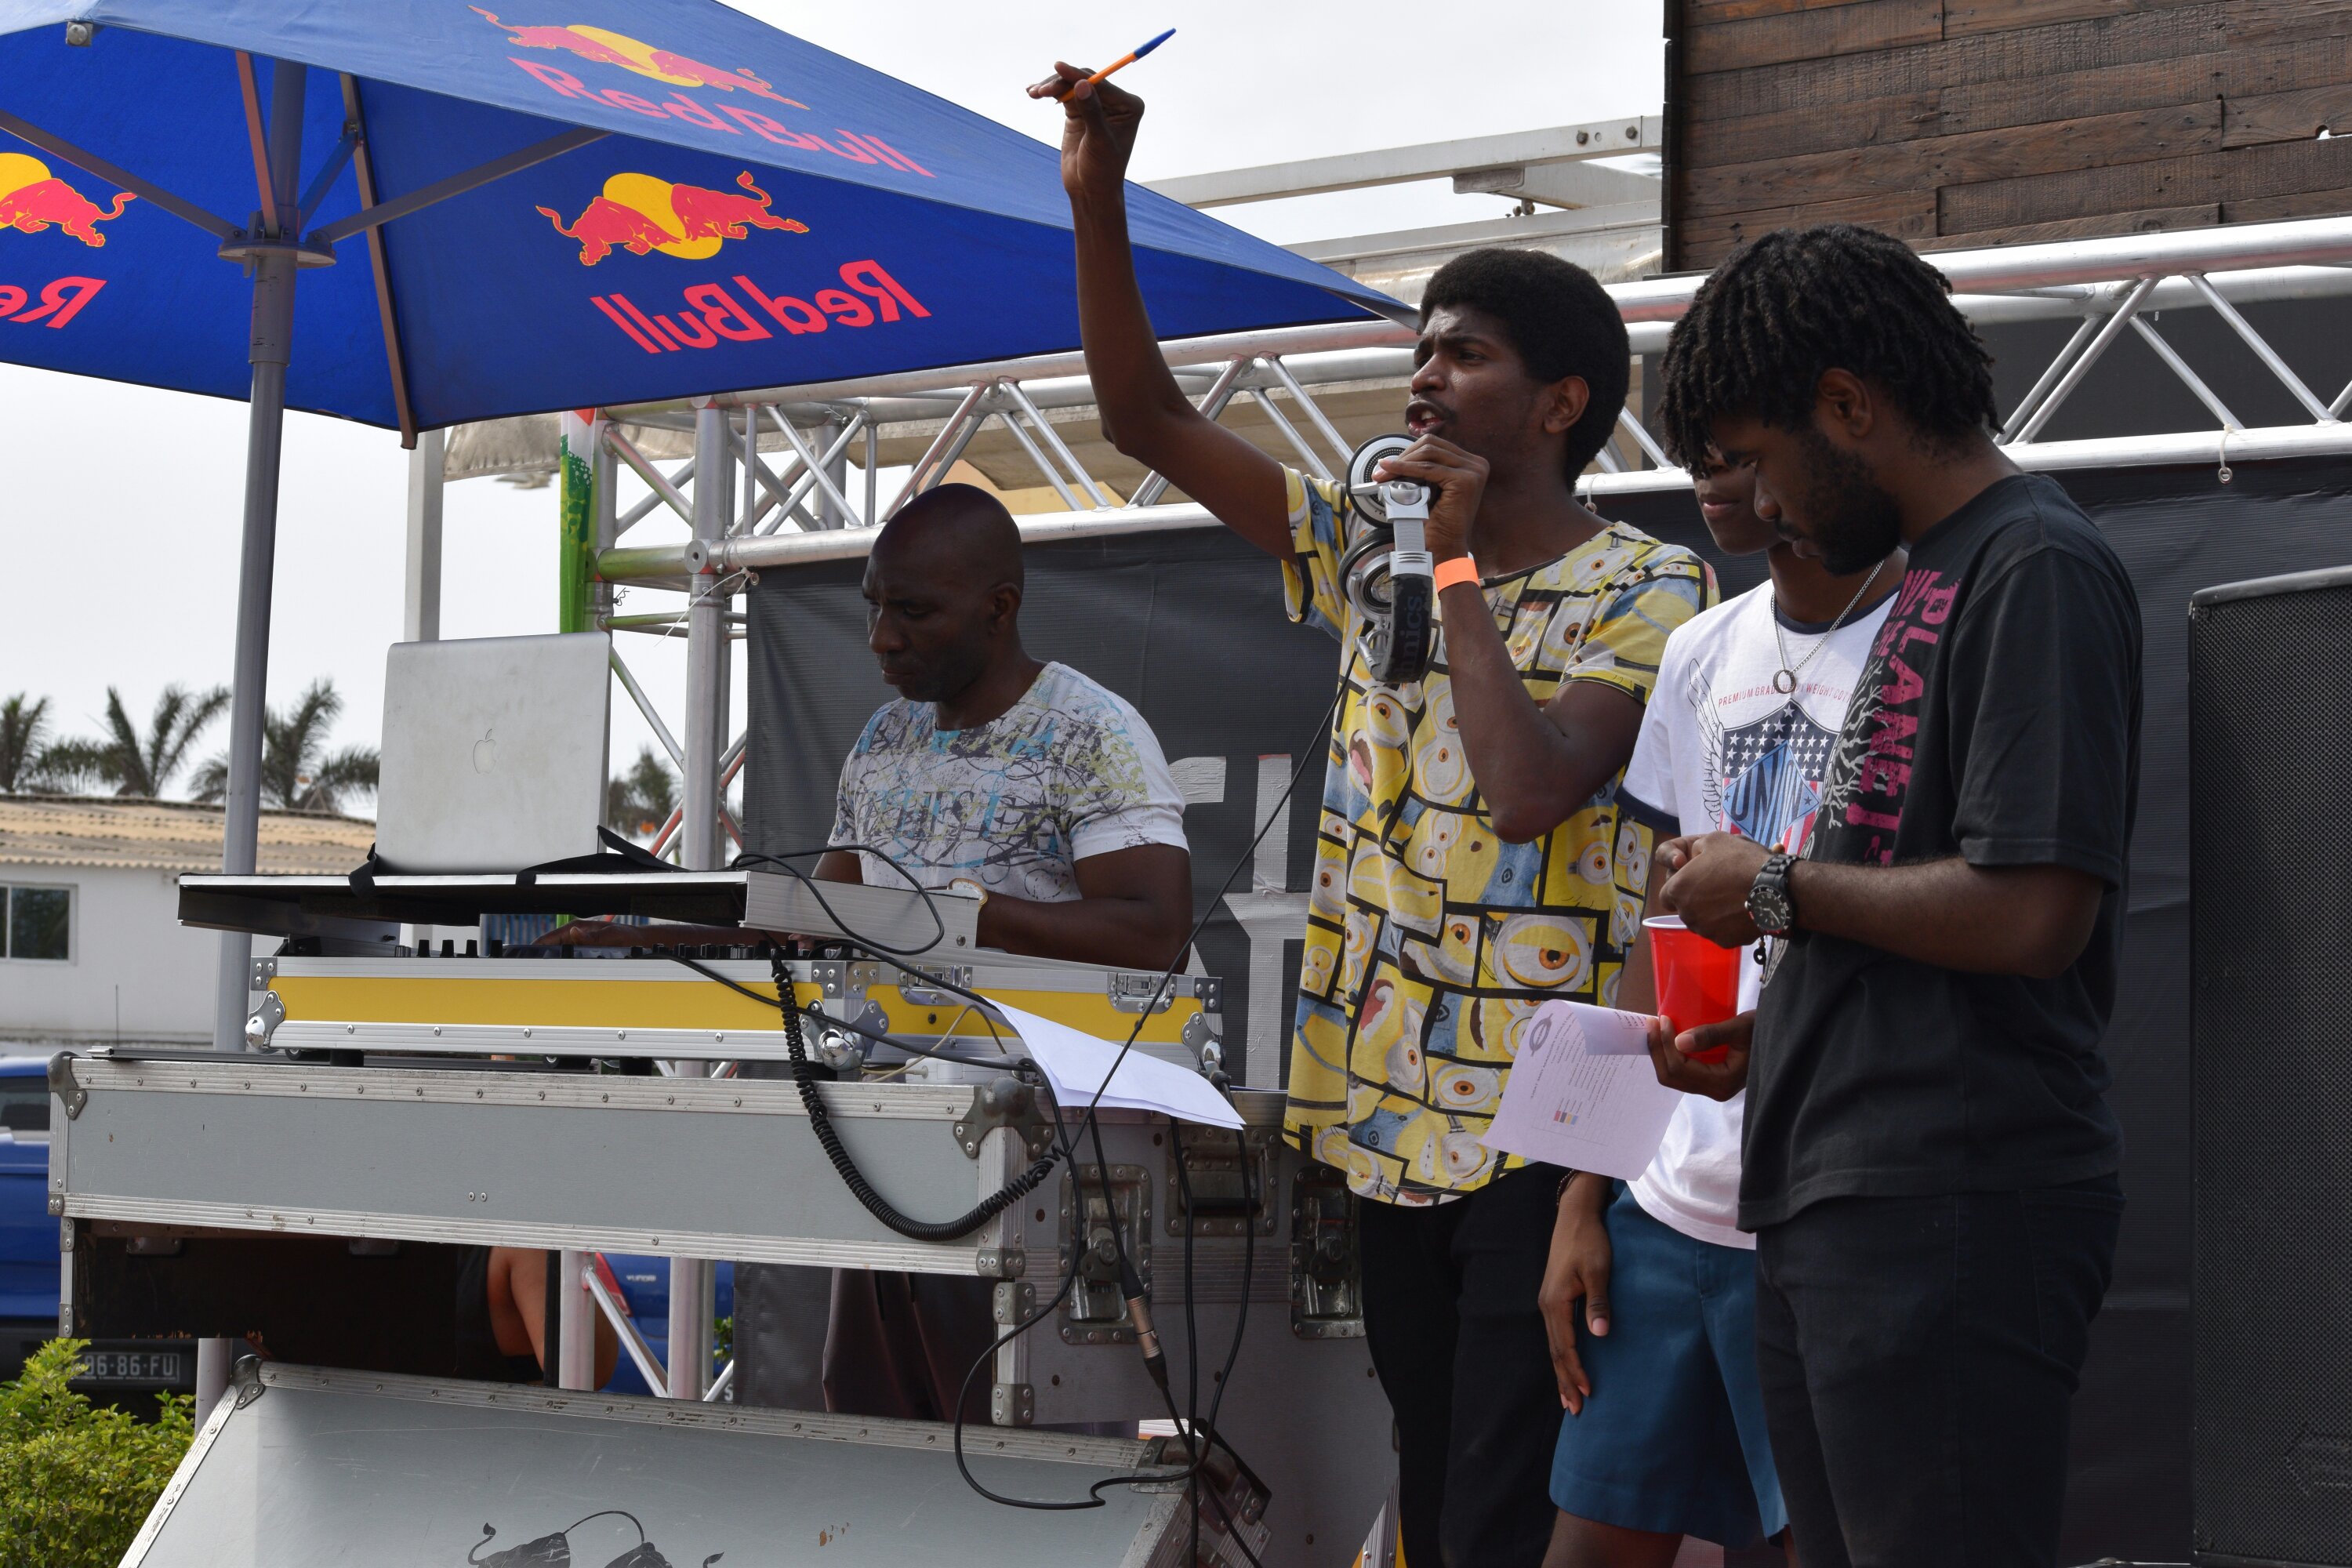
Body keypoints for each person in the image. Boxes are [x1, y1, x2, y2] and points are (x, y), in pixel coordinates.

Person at [1034, 61, 1711, 1566]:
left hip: (1547, 1126)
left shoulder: (1649, 586)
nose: (1423, 378)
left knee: (1506, 1493)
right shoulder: (1364, 546)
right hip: (1384, 1108)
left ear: (1562, 402)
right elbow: (1141, 415)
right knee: (1433, 1472)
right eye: (1419, 352)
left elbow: (1532, 790)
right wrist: (1097, 198)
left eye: (1464, 354)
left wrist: (1452, 568)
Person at [1646, 224, 2140, 1568]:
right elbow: (1910, 895)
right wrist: (1782, 1034)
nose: (1759, 501)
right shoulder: (1935, 571)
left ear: (1848, 405)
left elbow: (2034, 912)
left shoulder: (2032, 565)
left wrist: (1773, 888)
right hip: (1848, 1194)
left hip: (1951, 1201)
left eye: (1761, 457)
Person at [1541, 458, 1903, 1566]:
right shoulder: (1701, 647)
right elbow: (1660, 933)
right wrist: (1584, 1192)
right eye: (1696, 434)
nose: (1708, 464)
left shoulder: (1930, 640)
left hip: (1828, 1209)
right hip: (1661, 1208)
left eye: (1742, 439)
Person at [809, 481, 1195, 1423]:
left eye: (913, 610)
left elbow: (1154, 928)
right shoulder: (884, 736)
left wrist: (973, 915)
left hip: (1029, 1148)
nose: (882, 637)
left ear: (999, 606)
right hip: (889, 1132)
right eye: (874, 606)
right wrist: (666, 926)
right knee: (871, 1415)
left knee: (1005, 1423)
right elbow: (825, 906)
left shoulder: (1090, 733)